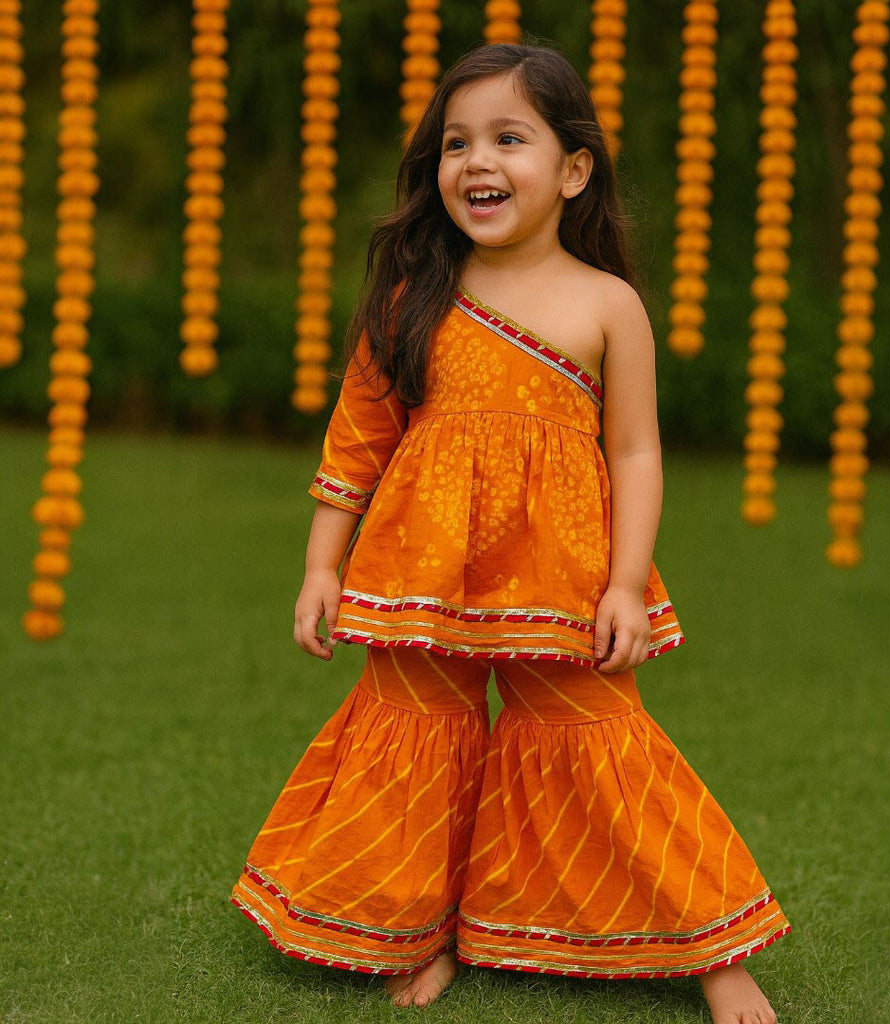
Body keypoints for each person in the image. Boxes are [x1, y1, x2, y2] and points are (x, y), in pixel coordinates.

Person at [231, 42, 789, 1024]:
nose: (475, 161)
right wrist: (321, 564)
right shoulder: (410, 297)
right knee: (416, 735)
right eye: (456, 143)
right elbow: (357, 440)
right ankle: (421, 932)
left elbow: (636, 456)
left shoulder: (608, 304)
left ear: (574, 170)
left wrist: (623, 584)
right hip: (421, 569)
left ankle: (710, 946)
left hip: (559, 570)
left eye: (507, 138)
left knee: (601, 739)